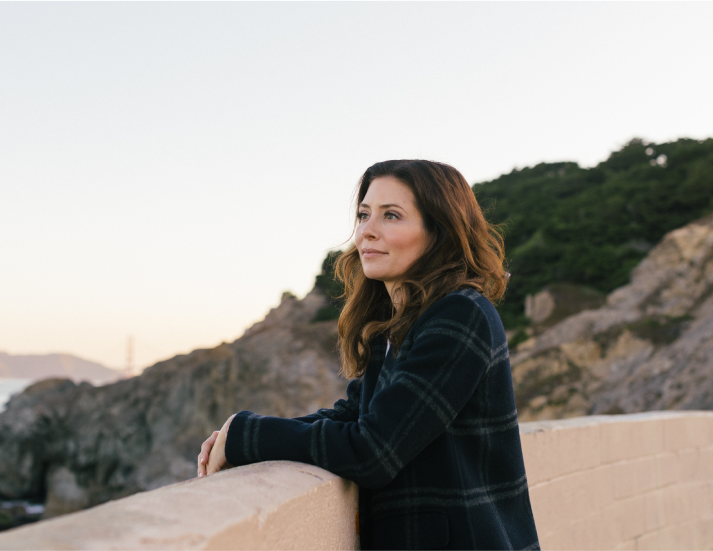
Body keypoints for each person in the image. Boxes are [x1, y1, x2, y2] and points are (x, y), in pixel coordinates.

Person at [197, 160, 540, 551]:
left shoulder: (461, 315)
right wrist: (237, 433)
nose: (367, 232)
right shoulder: (397, 325)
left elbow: (374, 450)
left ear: (439, 232)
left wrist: (247, 435)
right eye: (363, 215)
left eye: (391, 215)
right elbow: (353, 415)